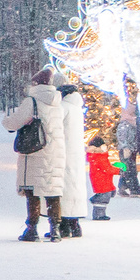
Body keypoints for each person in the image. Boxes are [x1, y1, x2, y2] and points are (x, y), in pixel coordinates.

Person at [3, 68, 68, 242]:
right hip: (55, 152)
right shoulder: (57, 103)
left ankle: (32, 228)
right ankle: (55, 229)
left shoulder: (31, 101)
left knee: (32, 190)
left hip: (35, 150)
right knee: (52, 190)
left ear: (35, 84)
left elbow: (14, 123)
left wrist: (6, 121)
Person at [56, 80, 89, 240]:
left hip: (64, 152)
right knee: (75, 186)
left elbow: (54, 127)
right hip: (76, 154)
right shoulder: (77, 108)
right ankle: (75, 224)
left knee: (64, 187)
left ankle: (64, 224)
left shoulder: (63, 108)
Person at [85, 134, 116, 222]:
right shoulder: (100, 157)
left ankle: (99, 211)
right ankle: (99, 215)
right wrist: (118, 170)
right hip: (102, 180)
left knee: (105, 195)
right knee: (103, 198)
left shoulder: (95, 157)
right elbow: (107, 169)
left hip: (100, 179)